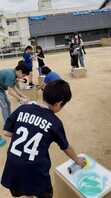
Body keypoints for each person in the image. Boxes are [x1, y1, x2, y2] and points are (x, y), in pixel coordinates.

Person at [1, 80, 86, 198]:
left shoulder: (23, 108)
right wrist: (77, 160)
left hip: (13, 168)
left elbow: (6, 132)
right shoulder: (55, 122)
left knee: (23, 190)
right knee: (44, 194)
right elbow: (66, 147)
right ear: (59, 103)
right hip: (35, 171)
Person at [0, 60, 30, 146]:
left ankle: (8, 119)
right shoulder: (11, 74)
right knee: (4, 105)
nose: (22, 77)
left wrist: (23, 96)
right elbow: (10, 91)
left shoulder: (14, 75)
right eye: (23, 75)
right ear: (20, 71)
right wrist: (20, 99)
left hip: (1, 88)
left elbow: (14, 88)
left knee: (8, 104)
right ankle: (8, 124)